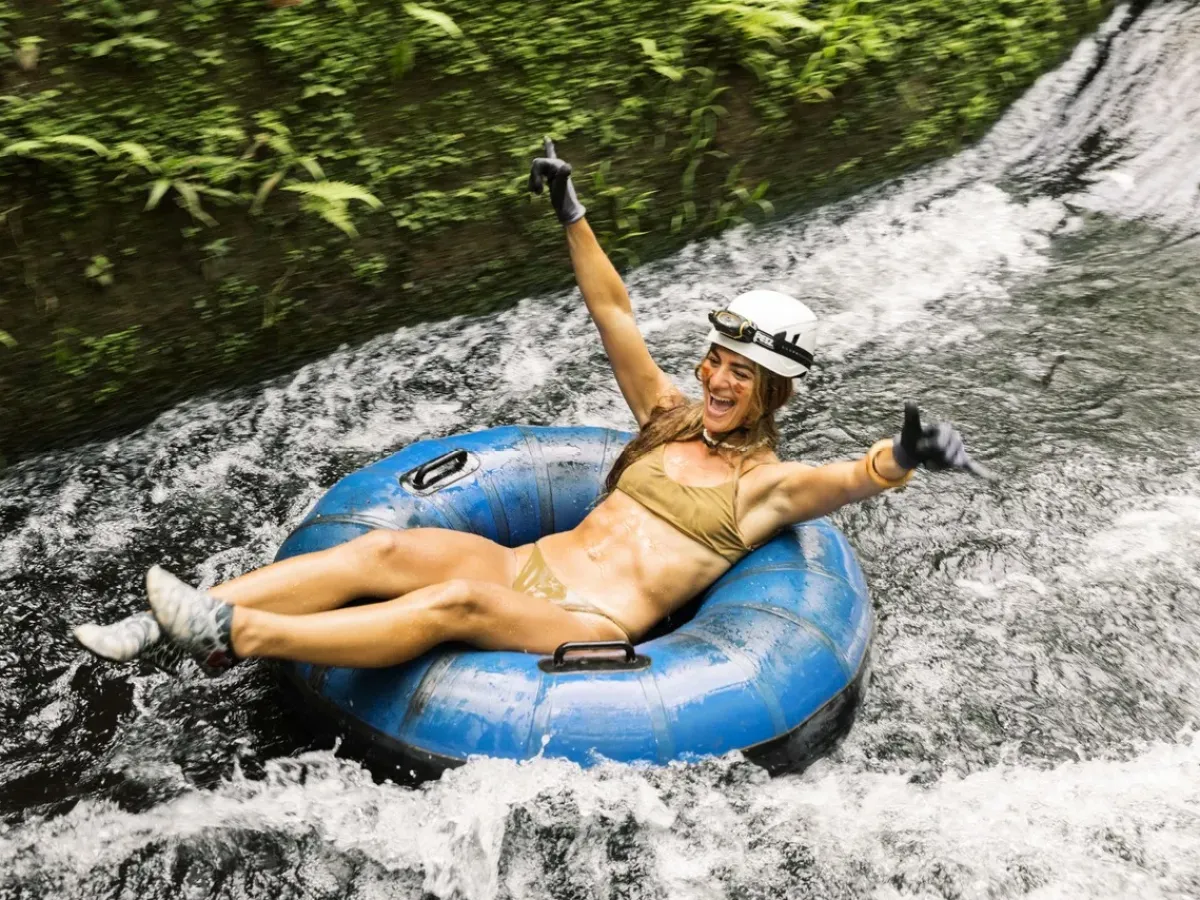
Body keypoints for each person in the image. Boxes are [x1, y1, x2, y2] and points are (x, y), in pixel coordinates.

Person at [73, 140, 989, 674]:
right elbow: (614, 311)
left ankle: (237, 633)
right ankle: (162, 623)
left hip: (590, 623)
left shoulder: (767, 489)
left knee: (455, 600)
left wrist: (906, 451)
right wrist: (571, 210)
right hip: (528, 569)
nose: (715, 379)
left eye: (738, 373)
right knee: (387, 548)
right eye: (714, 360)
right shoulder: (666, 414)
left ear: (771, 391)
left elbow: (853, 478)